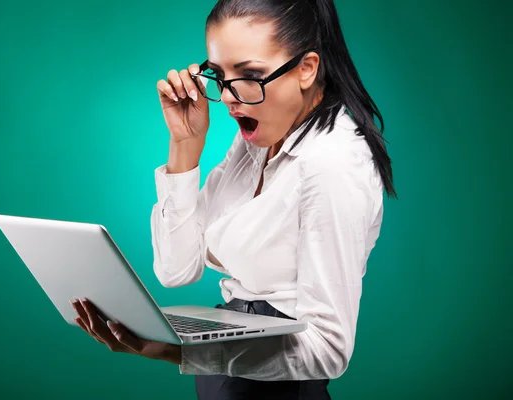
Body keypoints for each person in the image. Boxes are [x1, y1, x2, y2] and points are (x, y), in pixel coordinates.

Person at [70, 0, 397, 398]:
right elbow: (177, 270)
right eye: (219, 76)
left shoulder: (333, 165)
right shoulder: (260, 137)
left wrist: (182, 351)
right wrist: (185, 145)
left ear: (307, 68)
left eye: (250, 75)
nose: (227, 98)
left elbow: (328, 350)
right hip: (226, 372)